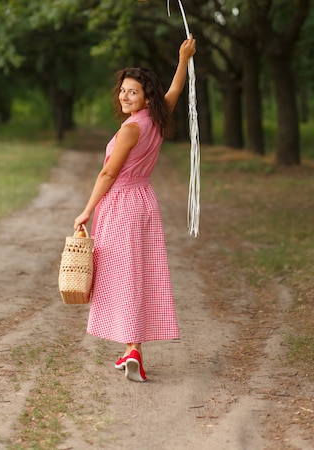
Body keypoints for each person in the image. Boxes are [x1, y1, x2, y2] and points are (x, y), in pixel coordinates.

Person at [74, 36, 197, 382]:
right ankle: (133, 347)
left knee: (122, 274)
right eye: (123, 90)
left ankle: (133, 349)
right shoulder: (156, 119)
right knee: (137, 272)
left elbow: (108, 172)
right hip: (144, 201)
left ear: (145, 97)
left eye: (132, 92)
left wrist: (87, 210)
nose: (125, 96)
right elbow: (174, 90)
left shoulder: (131, 128)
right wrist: (183, 57)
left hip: (121, 203)